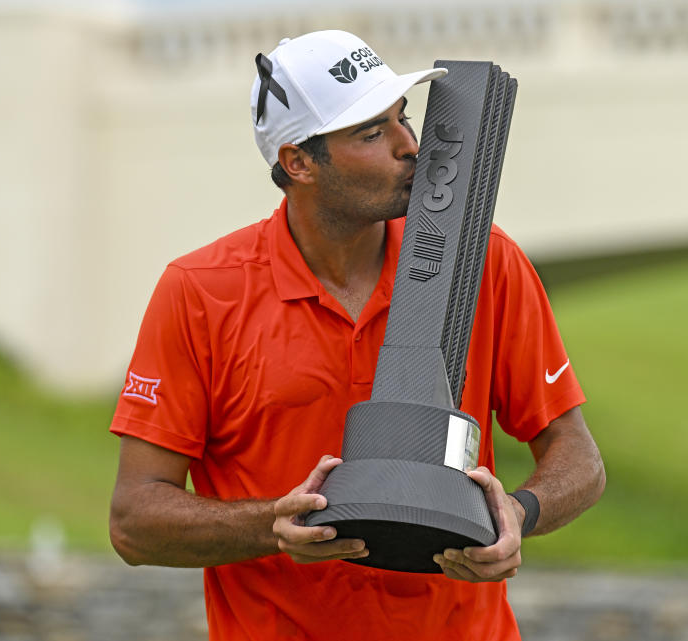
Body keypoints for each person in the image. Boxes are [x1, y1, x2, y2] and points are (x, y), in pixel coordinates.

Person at [108, 29, 605, 641]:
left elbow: (578, 456)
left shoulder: (488, 261)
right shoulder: (200, 292)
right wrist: (273, 524)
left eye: (402, 118)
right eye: (371, 133)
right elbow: (134, 521)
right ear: (298, 162)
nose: (409, 146)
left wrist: (517, 514)